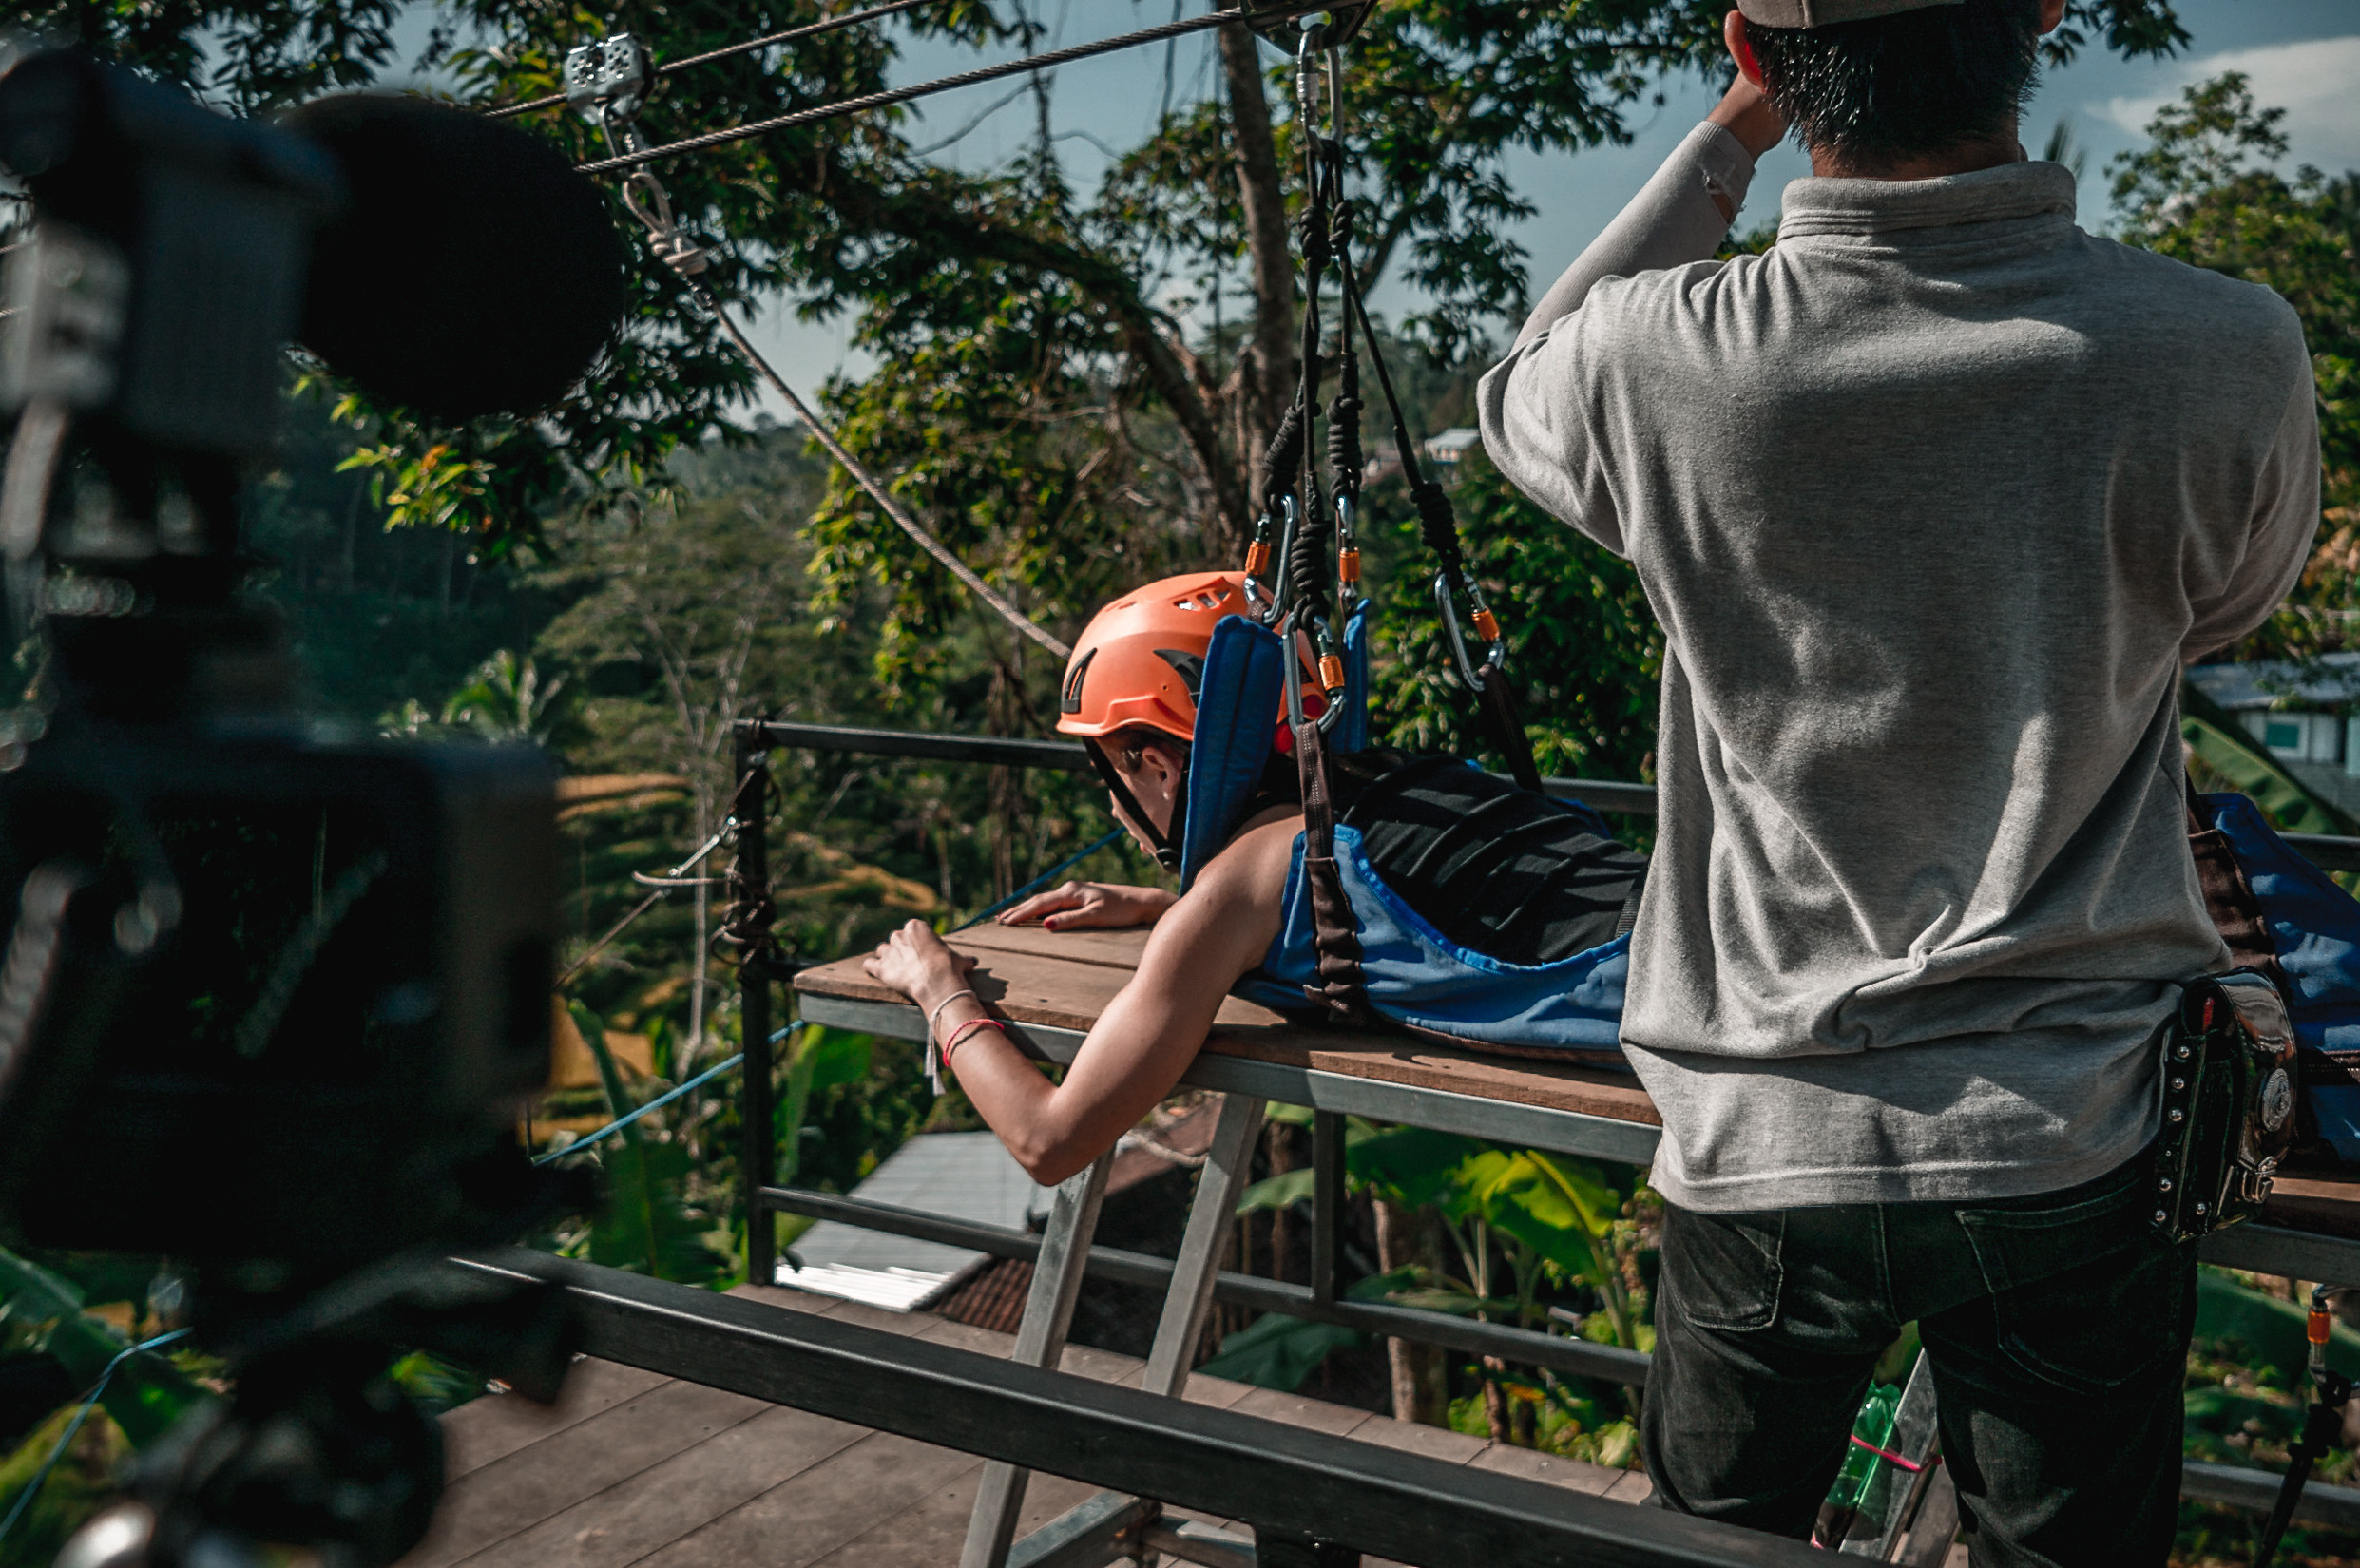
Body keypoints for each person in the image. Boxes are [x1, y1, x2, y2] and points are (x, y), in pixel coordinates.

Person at [1477, 0, 2319, 1560]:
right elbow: (2224, 609)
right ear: (2043, 18)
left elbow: (1520, 380)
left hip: (1758, 1131)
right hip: (2070, 1127)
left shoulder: (1653, 358)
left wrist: (1735, 123)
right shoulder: (2222, 348)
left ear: (1757, 41)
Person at [863, 569, 1644, 1185]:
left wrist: (937, 986)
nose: (1112, 801)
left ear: (1160, 765)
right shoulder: (1384, 774)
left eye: (1112, 775)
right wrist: (1157, 908)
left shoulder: (1234, 891)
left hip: (1683, 993)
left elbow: (1048, 1140)